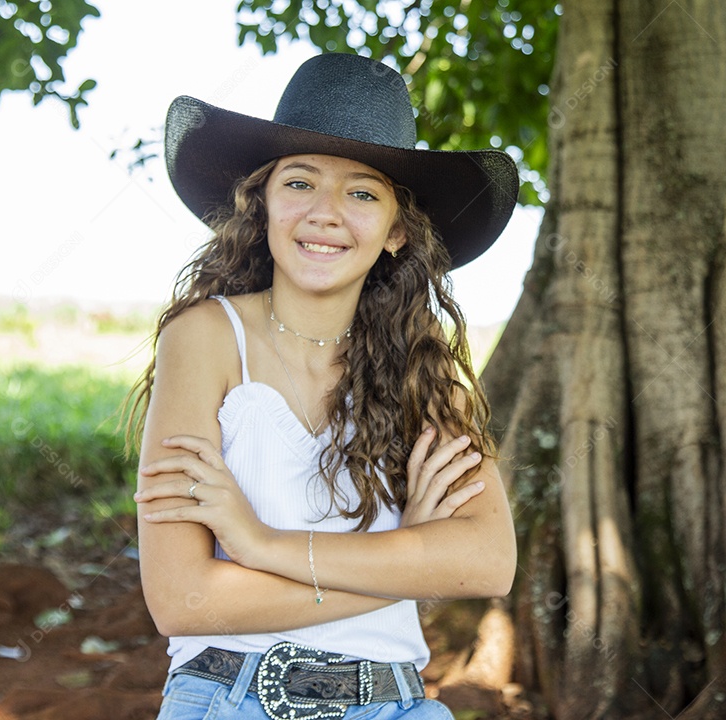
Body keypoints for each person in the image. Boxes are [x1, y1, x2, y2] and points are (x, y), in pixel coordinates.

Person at [123, 52, 519, 720]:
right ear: (263, 202)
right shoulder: (205, 340)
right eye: (300, 183)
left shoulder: (422, 370)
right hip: (231, 697)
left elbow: (486, 561)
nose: (326, 213)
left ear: (397, 229)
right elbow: (181, 599)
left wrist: (262, 546)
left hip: (394, 705)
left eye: (362, 192)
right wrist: (405, 562)